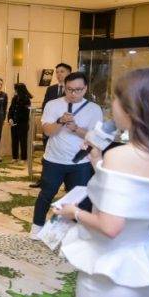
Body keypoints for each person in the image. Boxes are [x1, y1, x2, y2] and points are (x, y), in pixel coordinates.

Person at [56, 68, 149, 297]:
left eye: (116, 98)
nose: (112, 105)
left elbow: (111, 226)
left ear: (131, 108)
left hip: (111, 273)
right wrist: (98, 162)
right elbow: (135, 196)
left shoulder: (122, 156)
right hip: (145, 267)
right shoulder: (144, 155)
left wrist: (74, 212)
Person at [30, 71, 103, 239]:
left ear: (85, 88)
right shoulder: (53, 105)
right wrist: (60, 121)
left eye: (78, 90)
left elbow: (96, 138)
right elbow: (47, 131)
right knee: (46, 194)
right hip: (53, 160)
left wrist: (76, 128)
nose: (73, 94)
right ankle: (37, 226)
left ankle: (73, 233)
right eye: (69, 89)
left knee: (79, 199)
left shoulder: (94, 109)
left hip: (80, 163)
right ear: (64, 87)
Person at [30, 62, 73, 187]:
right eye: (57, 72)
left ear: (69, 73)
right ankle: (44, 180)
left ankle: (68, 183)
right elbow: (45, 107)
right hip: (50, 128)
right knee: (47, 156)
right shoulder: (51, 89)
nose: (59, 74)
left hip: (66, 130)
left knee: (66, 156)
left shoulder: (73, 90)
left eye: (62, 71)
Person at [7, 83, 33, 162]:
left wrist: (17, 120)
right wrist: (10, 118)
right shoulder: (14, 98)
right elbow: (11, 109)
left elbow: (25, 114)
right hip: (13, 123)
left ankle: (23, 158)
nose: (14, 91)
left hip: (22, 124)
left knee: (23, 141)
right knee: (14, 141)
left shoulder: (26, 100)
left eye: (16, 89)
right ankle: (14, 157)